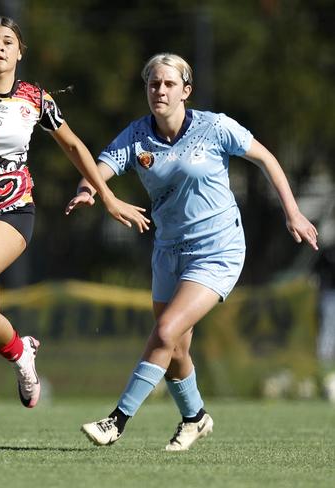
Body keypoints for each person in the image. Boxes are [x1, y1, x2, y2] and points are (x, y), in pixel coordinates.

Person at [0, 15, 150, 426]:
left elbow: (72, 145)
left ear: (20, 52)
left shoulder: (35, 98)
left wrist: (106, 196)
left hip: (13, 209)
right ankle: (22, 352)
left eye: (7, 41)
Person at [66, 52, 319, 451]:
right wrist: (87, 192)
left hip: (218, 249)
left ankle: (116, 421)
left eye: (169, 84)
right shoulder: (136, 137)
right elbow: (97, 170)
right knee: (177, 348)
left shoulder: (214, 127)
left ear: (186, 90)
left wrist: (294, 213)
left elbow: (266, 158)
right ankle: (195, 418)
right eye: (153, 84)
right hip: (168, 251)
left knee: (164, 332)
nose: (160, 90)